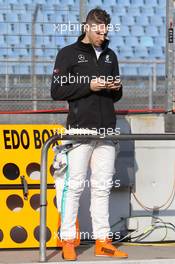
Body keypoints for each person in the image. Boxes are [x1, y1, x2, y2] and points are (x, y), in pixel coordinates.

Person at [51, 8, 128, 261]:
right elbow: (56, 90)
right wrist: (89, 86)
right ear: (87, 27)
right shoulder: (68, 54)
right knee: (73, 187)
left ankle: (103, 240)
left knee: (102, 187)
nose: (103, 35)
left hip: (106, 130)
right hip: (79, 129)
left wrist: (116, 87)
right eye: (99, 31)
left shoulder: (110, 55)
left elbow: (116, 96)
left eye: (106, 30)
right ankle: (68, 241)